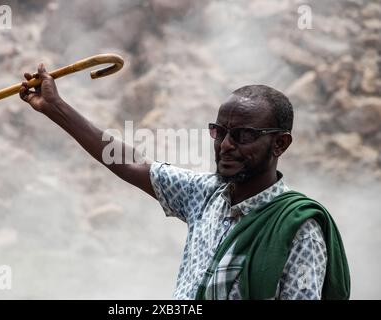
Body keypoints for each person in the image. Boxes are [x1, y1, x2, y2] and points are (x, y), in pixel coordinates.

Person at [19, 63, 350, 300]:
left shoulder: (298, 229)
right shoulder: (205, 194)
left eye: (244, 135)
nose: (225, 145)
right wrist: (55, 107)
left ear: (280, 144)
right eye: (219, 132)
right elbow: (129, 162)